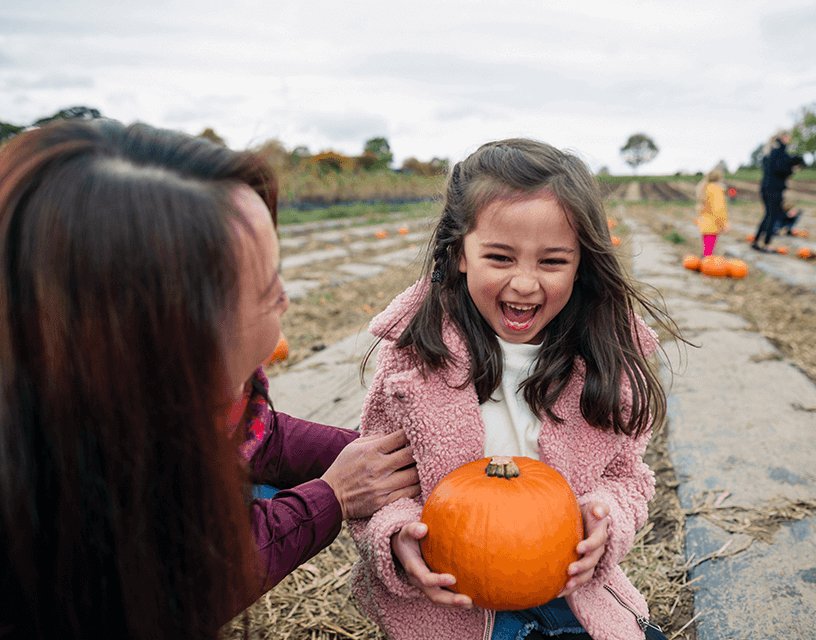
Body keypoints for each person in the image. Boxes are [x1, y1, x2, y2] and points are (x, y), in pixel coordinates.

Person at [0, 119, 419, 640]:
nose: (285, 298)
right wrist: (331, 496)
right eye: (267, 289)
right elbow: (189, 577)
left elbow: (260, 438)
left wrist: (394, 459)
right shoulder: (67, 520)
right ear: (170, 331)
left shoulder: (135, 390)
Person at [348, 138, 676, 640]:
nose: (524, 284)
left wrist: (607, 516)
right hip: (450, 605)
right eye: (500, 258)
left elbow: (628, 476)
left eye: (552, 262)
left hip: (569, 594)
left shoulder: (603, 361)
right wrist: (396, 537)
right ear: (459, 253)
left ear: (582, 263)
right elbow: (377, 485)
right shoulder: (414, 361)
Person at [751, 129, 804, 252]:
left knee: (768, 216)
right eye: (789, 137)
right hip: (774, 189)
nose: (790, 140)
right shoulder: (780, 151)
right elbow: (780, 169)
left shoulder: (769, 151)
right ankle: (765, 244)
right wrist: (792, 169)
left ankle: (756, 241)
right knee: (772, 216)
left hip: (766, 188)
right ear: (783, 137)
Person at [693, 164, 728, 257]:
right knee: (709, 253)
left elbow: (700, 207)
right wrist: (723, 224)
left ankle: (704, 264)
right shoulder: (716, 190)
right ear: (719, 178)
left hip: (704, 224)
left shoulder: (704, 188)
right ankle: (706, 268)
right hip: (713, 225)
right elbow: (718, 209)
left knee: (705, 250)